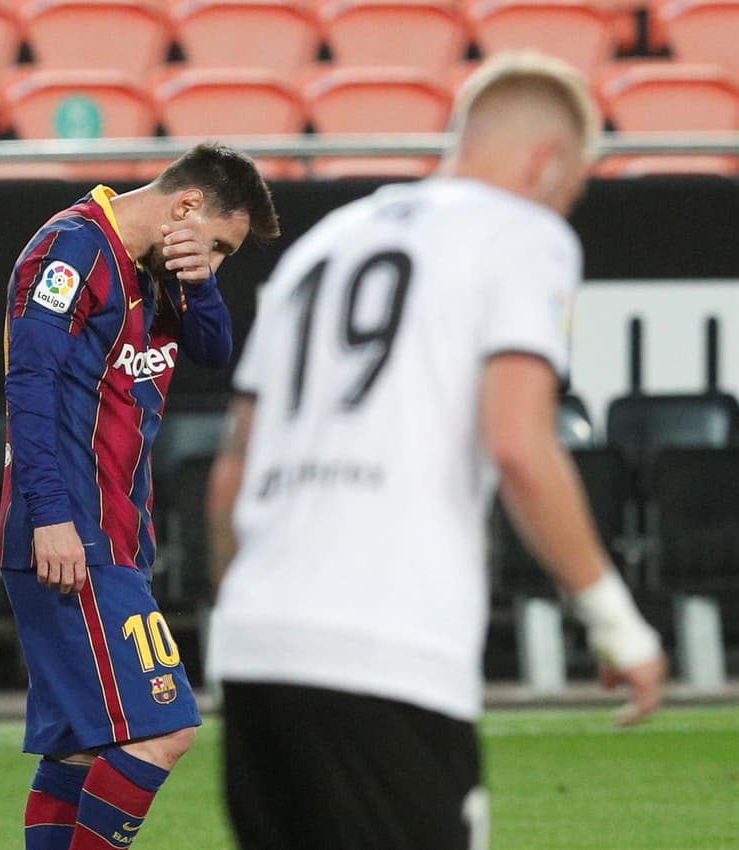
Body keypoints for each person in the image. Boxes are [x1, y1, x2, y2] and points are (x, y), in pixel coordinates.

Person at [208, 53, 668, 850]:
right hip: (390, 652)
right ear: (547, 161)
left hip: (256, 653)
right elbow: (521, 443)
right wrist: (616, 624)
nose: (567, 203)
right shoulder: (523, 233)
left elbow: (232, 469)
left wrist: (245, 612)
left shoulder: (324, 245)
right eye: (573, 184)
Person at [0, 143, 280, 850]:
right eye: (216, 245)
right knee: (167, 726)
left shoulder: (163, 270)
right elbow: (27, 388)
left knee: (82, 748)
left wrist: (201, 281)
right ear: (184, 206)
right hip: (71, 534)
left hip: (117, 534)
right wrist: (54, 518)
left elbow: (216, 352)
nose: (212, 261)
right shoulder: (70, 252)